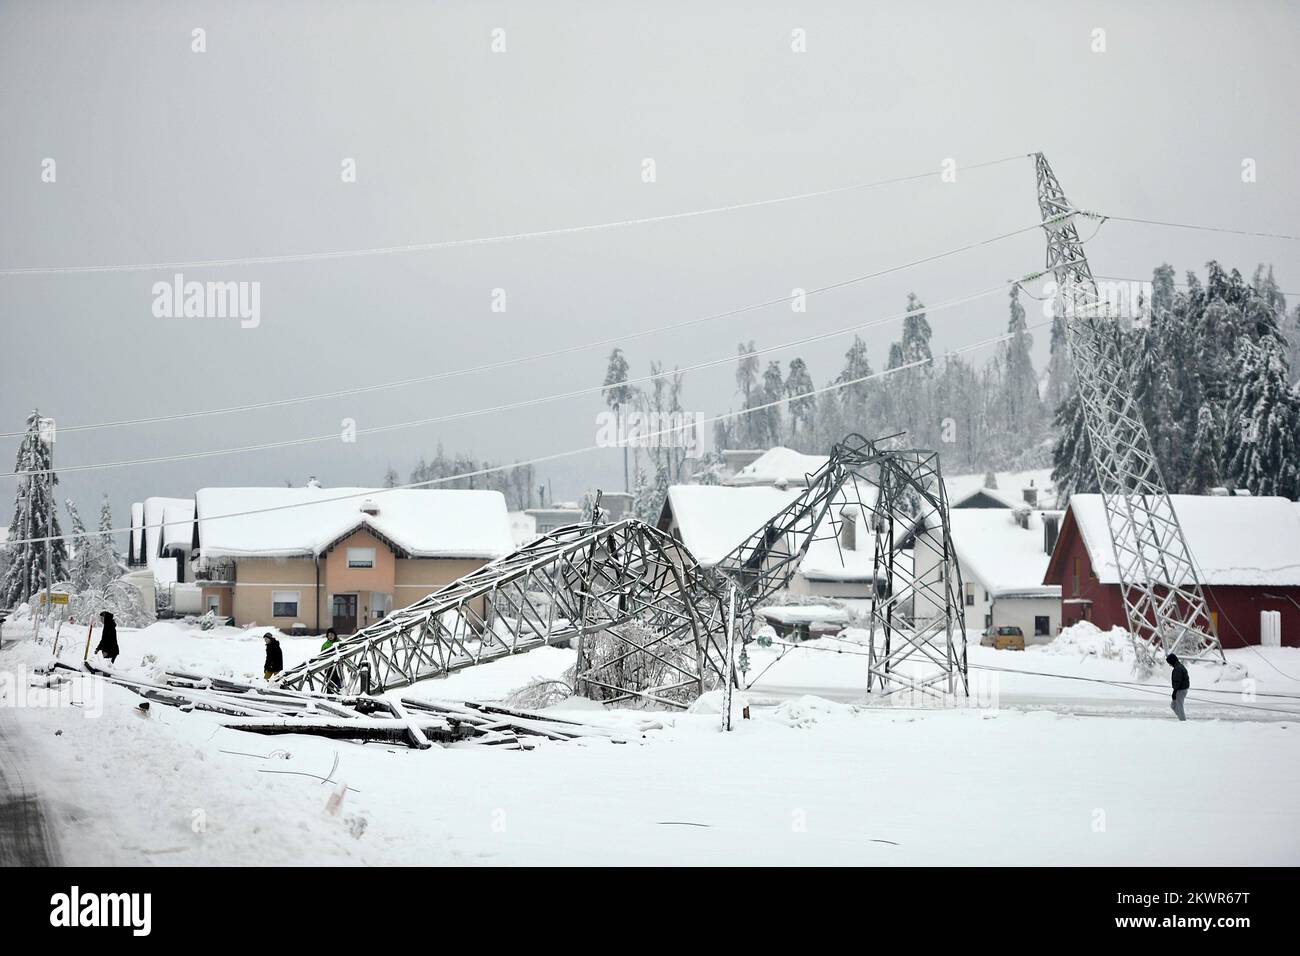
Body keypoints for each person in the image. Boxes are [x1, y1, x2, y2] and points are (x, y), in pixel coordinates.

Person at [1167, 652, 1190, 721]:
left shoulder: (1178, 669)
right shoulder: (1178, 667)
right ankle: (1181, 719)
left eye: (1169, 662)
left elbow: (1177, 681)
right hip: (1181, 689)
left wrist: (1175, 691)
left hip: (1180, 690)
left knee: (1179, 706)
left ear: (1172, 661)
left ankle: (1183, 722)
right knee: (1173, 705)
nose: (1169, 664)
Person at [321, 628, 342, 694]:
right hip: (328, 665)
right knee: (329, 679)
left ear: (335, 635)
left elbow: (345, 651)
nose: (330, 636)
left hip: (338, 664)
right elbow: (321, 655)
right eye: (329, 635)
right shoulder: (325, 645)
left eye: (332, 635)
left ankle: (340, 691)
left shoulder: (339, 642)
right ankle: (330, 694)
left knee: (337, 678)